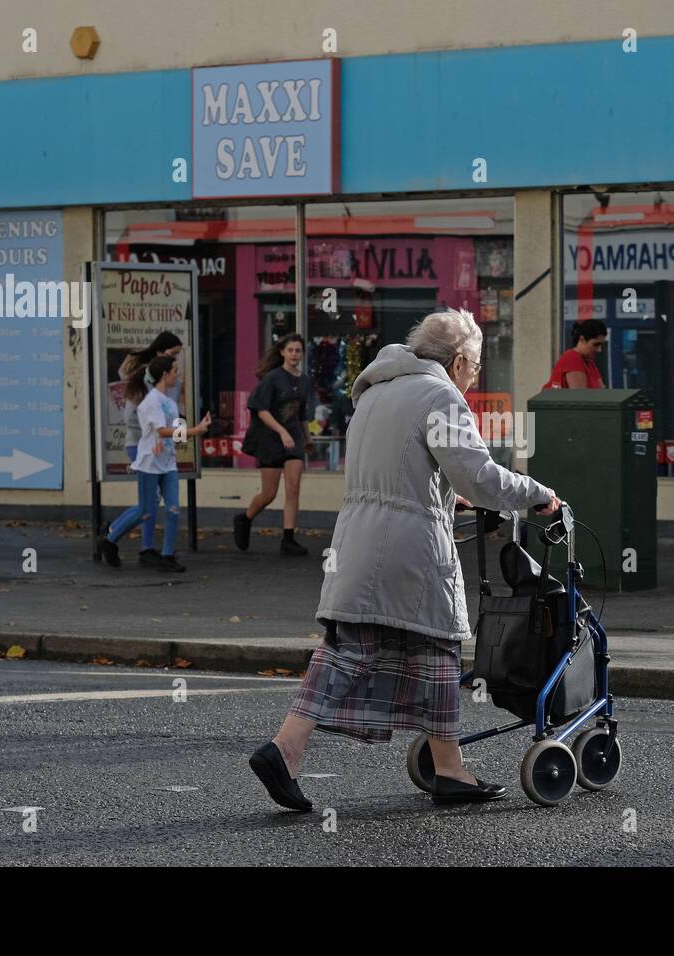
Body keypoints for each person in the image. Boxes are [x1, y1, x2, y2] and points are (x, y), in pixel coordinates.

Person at [248, 308, 561, 811]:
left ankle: (286, 750)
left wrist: (441, 493)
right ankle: (449, 771)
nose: (473, 380)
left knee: (349, 649)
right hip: (410, 550)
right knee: (437, 651)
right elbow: (478, 475)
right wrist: (537, 493)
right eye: (475, 369)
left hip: (359, 540)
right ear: (458, 362)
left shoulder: (375, 392)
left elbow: (401, 469)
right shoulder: (440, 396)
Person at [98, 354, 210, 572]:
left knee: (174, 508)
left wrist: (194, 430)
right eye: (175, 371)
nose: (178, 375)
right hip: (149, 462)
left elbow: (174, 433)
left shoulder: (169, 401)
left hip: (167, 463)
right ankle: (110, 539)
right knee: (145, 511)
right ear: (164, 375)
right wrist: (194, 431)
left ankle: (168, 555)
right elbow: (161, 430)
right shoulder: (150, 402)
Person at [232, 334, 311, 557]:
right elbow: (260, 409)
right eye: (291, 350)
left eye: (298, 350)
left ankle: (288, 537)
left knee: (293, 486)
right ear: (282, 353)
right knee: (269, 492)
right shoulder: (273, 378)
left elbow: (302, 413)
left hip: (293, 438)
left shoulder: (304, 380)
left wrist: (307, 438)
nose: (295, 354)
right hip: (271, 439)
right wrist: (281, 430)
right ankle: (245, 518)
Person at [117, 332, 183, 566]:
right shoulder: (146, 384)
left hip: (165, 451)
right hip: (142, 445)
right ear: (159, 354)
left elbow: (176, 413)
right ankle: (130, 542)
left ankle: (158, 551)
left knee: (166, 505)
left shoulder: (172, 384)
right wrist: (158, 430)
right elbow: (134, 417)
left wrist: (178, 437)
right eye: (172, 355)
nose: (176, 361)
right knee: (149, 503)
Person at [543, 319, 607, 389]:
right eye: (596, 344)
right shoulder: (572, 358)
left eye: (601, 345)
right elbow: (580, 396)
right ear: (582, 339)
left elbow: (602, 391)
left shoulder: (589, 363)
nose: (599, 350)